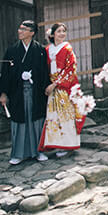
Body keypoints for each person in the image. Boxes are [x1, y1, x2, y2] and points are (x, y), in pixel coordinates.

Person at [0, 20, 50, 165]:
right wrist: (3, 93)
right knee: (19, 122)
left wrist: (45, 87)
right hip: (17, 92)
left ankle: (39, 151)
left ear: (32, 33)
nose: (20, 31)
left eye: (24, 29)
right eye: (20, 28)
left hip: (35, 91)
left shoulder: (40, 50)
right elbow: (5, 73)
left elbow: (45, 72)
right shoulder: (12, 50)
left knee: (36, 121)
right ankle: (18, 154)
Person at [40, 23, 84, 156]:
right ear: (52, 34)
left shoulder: (67, 48)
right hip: (52, 86)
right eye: (59, 31)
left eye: (63, 31)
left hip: (64, 86)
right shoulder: (48, 49)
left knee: (66, 115)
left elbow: (71, 68)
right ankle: (57, 143)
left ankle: (68, 145)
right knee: (54, 116)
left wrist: (55, 84)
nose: (62, 34)